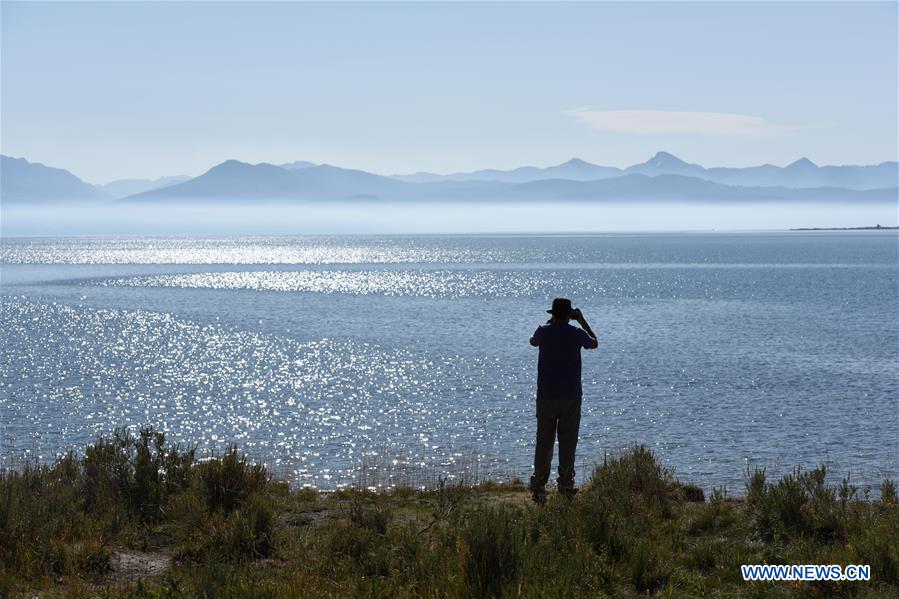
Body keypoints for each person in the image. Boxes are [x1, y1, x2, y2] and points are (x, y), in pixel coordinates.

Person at [528, 297, 598, 503]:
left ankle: (539, 484)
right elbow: (594, 343)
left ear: (552, 315)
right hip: (571, 396)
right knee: (568, 442)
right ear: (570, 316)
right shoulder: (576, 333)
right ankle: (566, 485)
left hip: (546, 395)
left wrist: (550, 325)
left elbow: (533, 341)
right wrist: (582, 321)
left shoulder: (543, 331)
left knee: (544, 441)